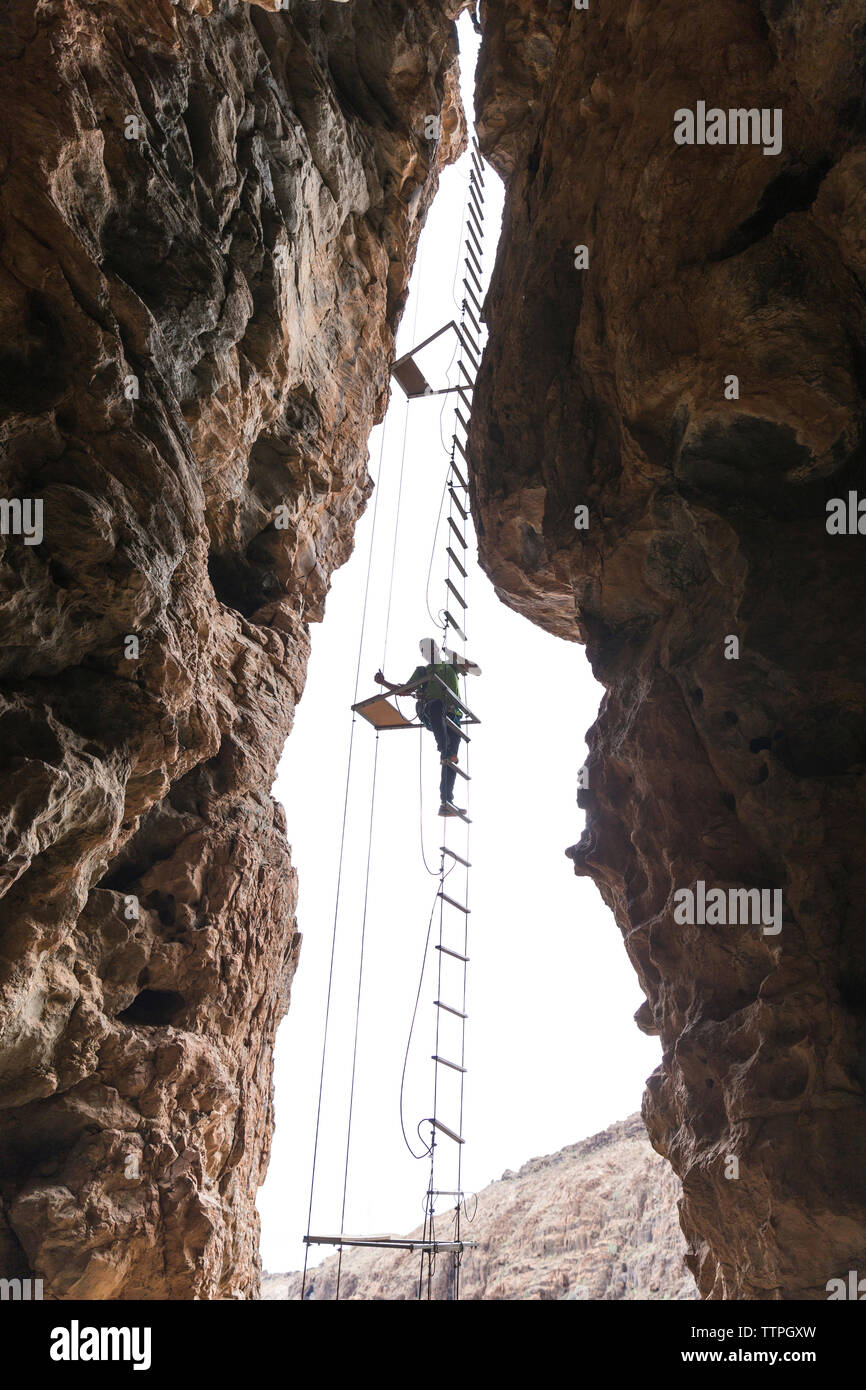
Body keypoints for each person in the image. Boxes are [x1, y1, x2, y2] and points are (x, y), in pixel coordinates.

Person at [375, 638, 473, 817]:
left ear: (436, 649)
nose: (427, 652)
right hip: (432, 710)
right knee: (436, 707)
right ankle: (443, 749)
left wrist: (455, 656)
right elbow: (405, 690)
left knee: (450, 760)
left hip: (453, 717)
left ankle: (446, 802)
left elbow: (476, 670)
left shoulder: (450, 665)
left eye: (430, 648)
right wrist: (384, 682)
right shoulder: (422, 671)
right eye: (423, 650)